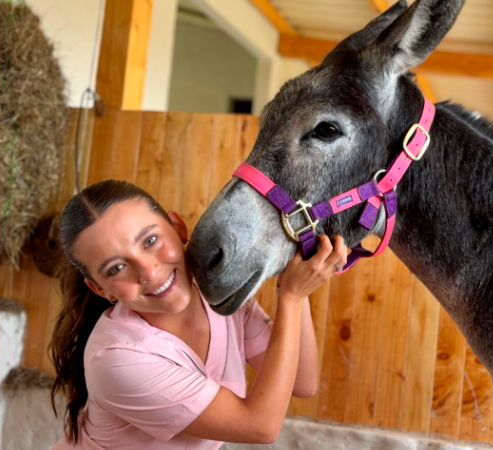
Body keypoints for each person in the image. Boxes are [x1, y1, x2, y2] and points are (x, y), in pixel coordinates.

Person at [49, 180, 339, 449]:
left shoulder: (216, 292)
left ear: (178, 228)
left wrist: (295, 282)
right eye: (116, 268)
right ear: (101, 290)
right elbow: (259, 427)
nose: (148, 271)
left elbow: (303, 381)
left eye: (150, 241)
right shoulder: (116, 359)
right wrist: (292, 296)